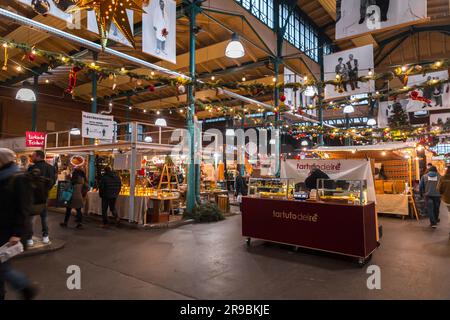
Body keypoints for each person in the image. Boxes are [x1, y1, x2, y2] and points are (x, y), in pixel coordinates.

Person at [0, 148, 37, 300]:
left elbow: (24, 208)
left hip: (10, 231)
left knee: (2, 267)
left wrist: (17, 233)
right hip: (2, 227)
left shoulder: (19, 178)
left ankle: (25, 286)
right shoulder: (3, 177)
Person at [27, 150, 56, 247]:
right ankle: (45, 236)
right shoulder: (51, 168)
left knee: (30, 217)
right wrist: (46, 190)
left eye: (33, 156)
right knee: (44, 216)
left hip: (32, 197)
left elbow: (27, 182)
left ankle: (29, 238)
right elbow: (52, 182)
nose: (32, 157)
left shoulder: (32, 168)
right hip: (44, 196)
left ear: (39, 156)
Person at [438, 167, 450, 235]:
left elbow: (439, 189)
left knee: (449, 213)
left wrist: (443, 193)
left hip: (447, 199)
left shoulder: (443, 178)